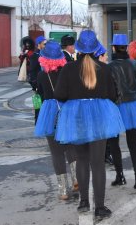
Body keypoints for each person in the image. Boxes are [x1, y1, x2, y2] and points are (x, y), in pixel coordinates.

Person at [54, 30, 125, 221]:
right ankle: (100, 208)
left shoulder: (68, 69)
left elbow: (59, 94)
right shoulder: (105, 68)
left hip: (76, 118)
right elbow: (112, 95)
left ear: (78, 47)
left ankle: (84, 202)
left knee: (82, 160)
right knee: (98, 163)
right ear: (95, 48)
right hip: (100, 117)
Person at [33, 41, 78, 200]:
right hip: (66, 111)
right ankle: (76, 180)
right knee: (71, 146)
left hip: (49, 114)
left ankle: (63, 190)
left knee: (56, 152)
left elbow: (40, 95)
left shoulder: (41, 75)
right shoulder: (68, 71)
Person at [108, 34, 136, 190]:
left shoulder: (110, 66)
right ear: (126, 47)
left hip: (117, 105)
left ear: (113, 47)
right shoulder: (135, 64)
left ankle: (120, 176)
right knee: (133, 144)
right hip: (134, 104)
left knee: (114, 143)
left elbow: (111, 89)